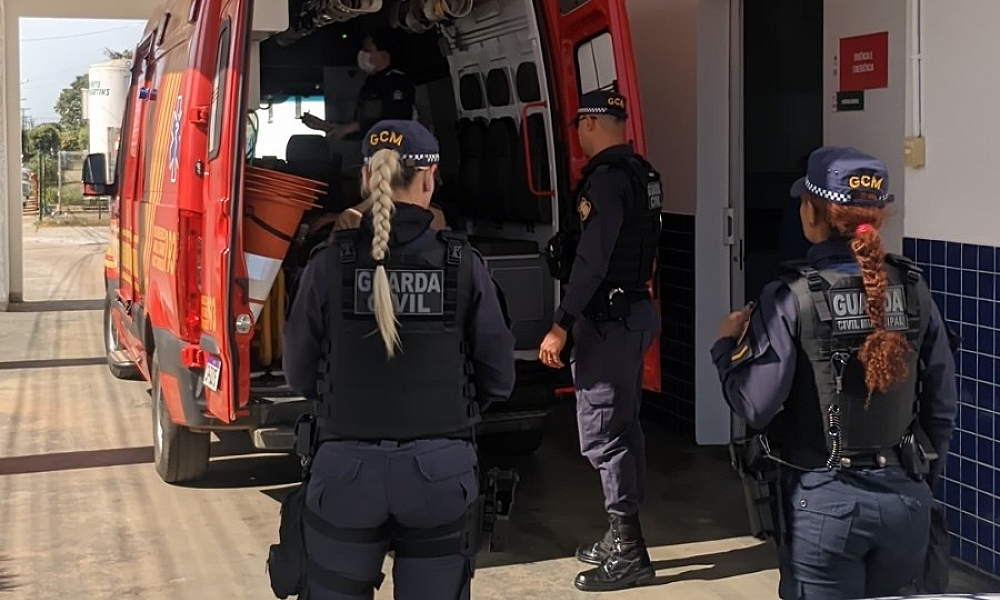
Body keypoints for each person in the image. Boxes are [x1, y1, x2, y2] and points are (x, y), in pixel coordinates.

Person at [280, 119, 516, 600]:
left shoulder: (329, 263)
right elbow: (498, 378)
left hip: (345, 471)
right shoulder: (463, 263)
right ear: (428, 180)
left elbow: (298, 372)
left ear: (366, 178)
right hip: (441, 472)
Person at [711, 146, 957, 600]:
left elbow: (755, 404)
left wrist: (726, 347)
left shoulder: (791, 296)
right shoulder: (915, 288)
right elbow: (941, 406)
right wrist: (914, 479)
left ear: (811, 213)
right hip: (905, 500)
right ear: (879, 215)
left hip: (826, 504)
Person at [538, 90, 662, 592]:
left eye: (578, 126)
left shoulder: (606, 183)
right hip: (633, 311)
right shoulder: (642, 174)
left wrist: (561, 322)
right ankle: (620, 535)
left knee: (604, 433)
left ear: (590, 123)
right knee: (624, 428)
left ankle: (630, 552)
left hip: (608, 320)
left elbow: (592, 258)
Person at [301, 30, 416, 142]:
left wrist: (351, 127)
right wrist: (328, 127)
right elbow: (364, 127)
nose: (362, 54)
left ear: (383, 55)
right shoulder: (370, 84)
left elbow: (396, 119)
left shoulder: (398, 81)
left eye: (367, 50)